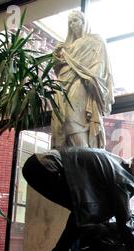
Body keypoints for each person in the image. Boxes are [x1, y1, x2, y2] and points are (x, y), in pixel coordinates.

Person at [22, 147, 134, 251]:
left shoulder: (117, 164)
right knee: (84, 212)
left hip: (38, 165)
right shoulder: (122, 177)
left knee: (83, 212)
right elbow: (124, 222)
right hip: (46, 168)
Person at [51, 10, 114, 149]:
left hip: (82, 81)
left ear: (84, 22)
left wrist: (92, 76)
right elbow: (59, 68)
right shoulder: (68, 45)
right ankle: (73, 156)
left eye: (76, 21)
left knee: (72, 119)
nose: (73, 25)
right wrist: (57, 55)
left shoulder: (95, 40)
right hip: (63, 85)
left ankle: (84, 154)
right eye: (70, 22)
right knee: (62, 121)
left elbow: (100, 61)